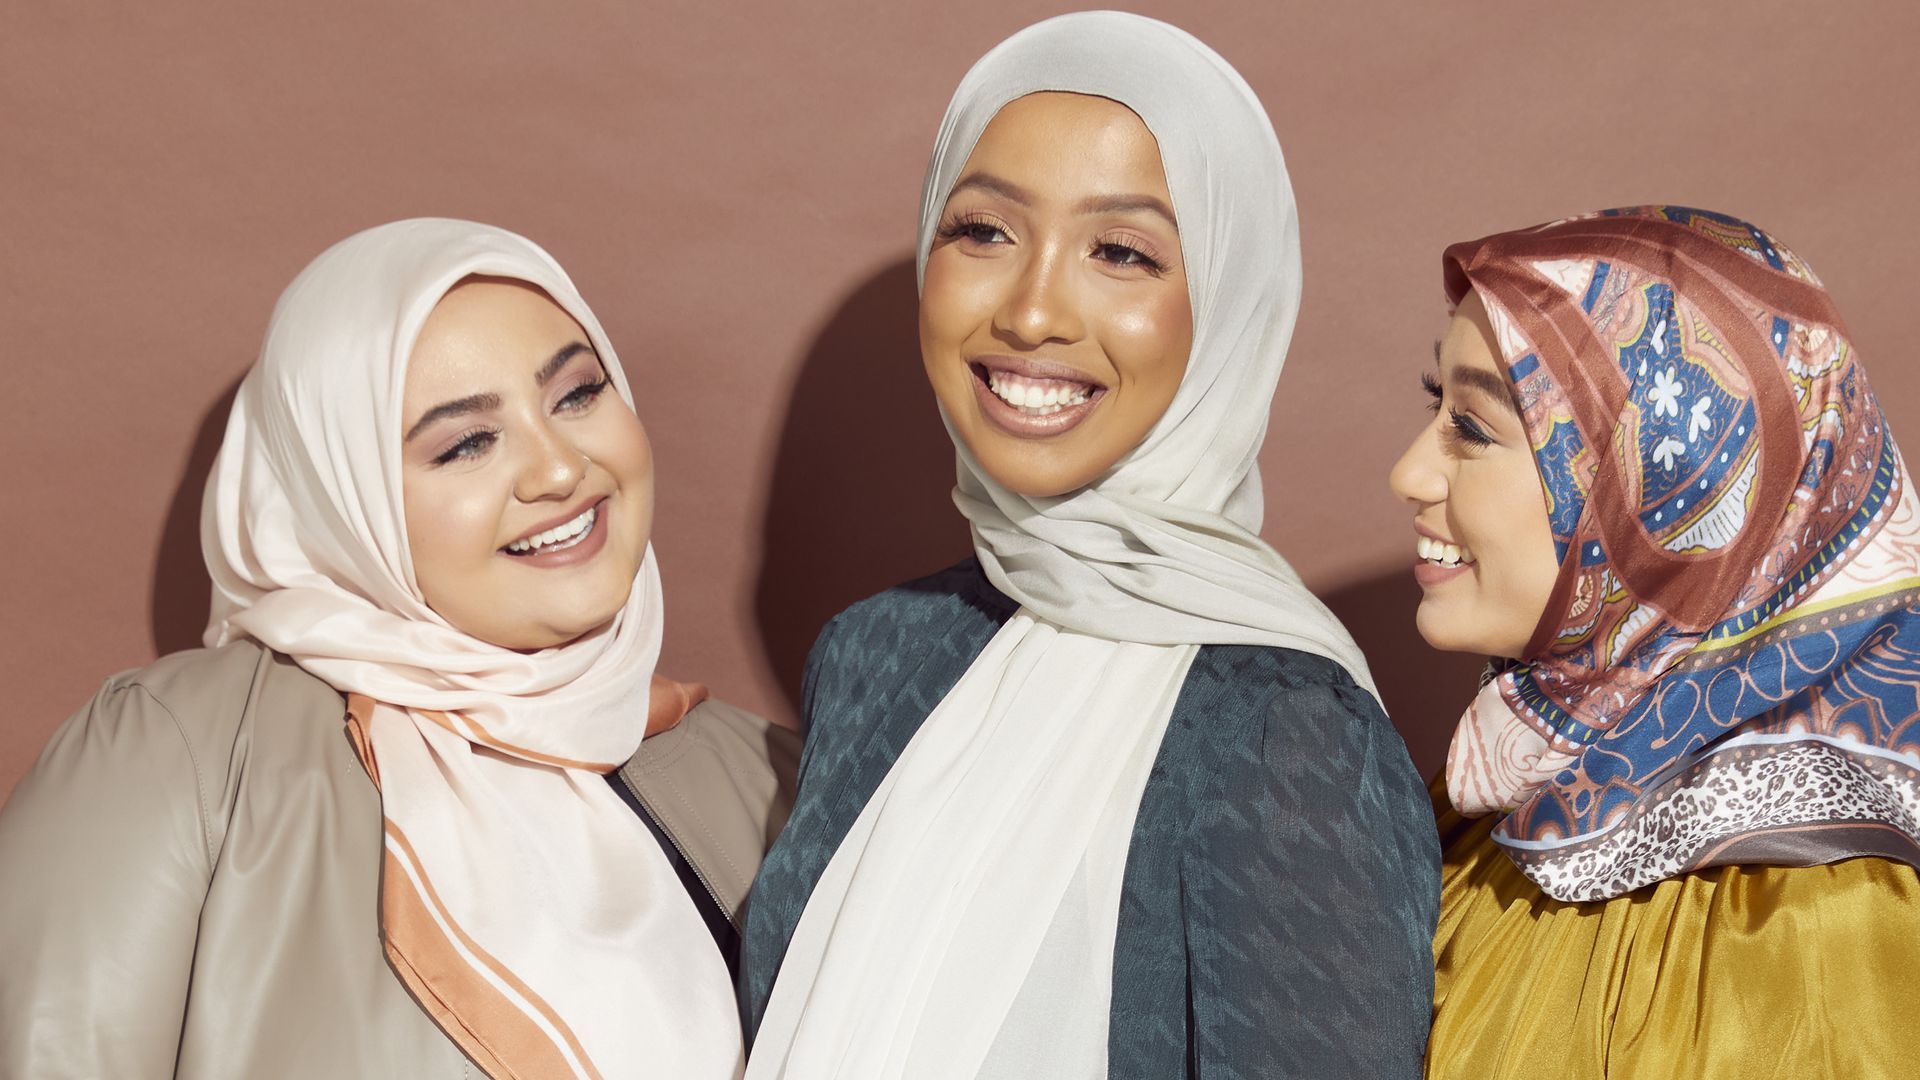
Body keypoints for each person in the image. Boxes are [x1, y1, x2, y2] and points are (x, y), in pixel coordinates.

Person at [738, 13, 1438, 1078]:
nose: (1030, 311)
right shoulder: (877, 654)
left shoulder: (1285, 727)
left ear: (1228, 304)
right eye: (983, 232)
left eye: (1120, 251)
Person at [0, 218, 796, 1079]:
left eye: (576, 394)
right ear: (346, 500)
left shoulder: (766, 777)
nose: (560, 468)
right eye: (466, 443)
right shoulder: (182, 755)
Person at [1391, 205, 1920, 1077]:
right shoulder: (1505, 801)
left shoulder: (1820, 922)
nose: (1408, 472)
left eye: (1474, 430)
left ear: (1663, 484)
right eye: (1433, 402)